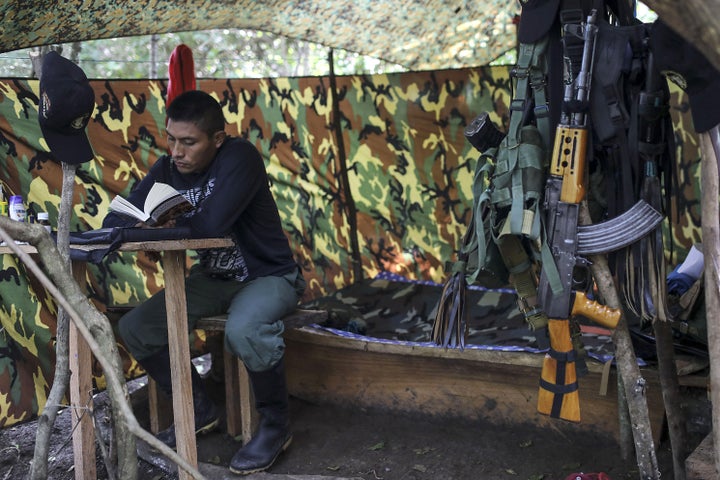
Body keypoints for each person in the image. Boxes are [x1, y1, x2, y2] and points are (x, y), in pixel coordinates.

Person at [102, 90, 306, 475]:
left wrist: (156, 225)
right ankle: (197, 411)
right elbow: (118, 218)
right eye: (171, 139)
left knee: (244, 329)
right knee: (136, 328)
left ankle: (276, 426)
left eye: (189, 142)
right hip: (212, 279)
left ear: (217, 138)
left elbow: (211, 225)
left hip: (267, 275)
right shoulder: (167, 169)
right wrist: (138, 222)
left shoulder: (240, 157)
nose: (177, 151)